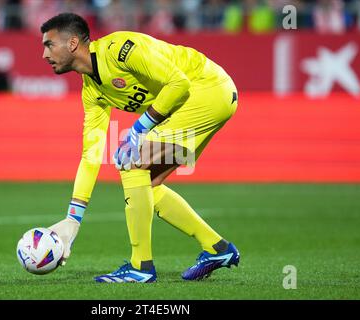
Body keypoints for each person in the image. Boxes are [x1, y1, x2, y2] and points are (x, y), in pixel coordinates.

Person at [44, 12, 240, 283]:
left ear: (73, 43)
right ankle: (217, 248)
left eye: (49, 44)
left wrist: (139, 128)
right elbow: (91, 155)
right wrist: (72, 219)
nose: (45, 54)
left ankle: (141, 267)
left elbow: (179, 83)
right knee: (148, 183)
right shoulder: (92, 91)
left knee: (131, 161)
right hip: (205, 100)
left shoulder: (120, 50)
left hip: (206, 89)